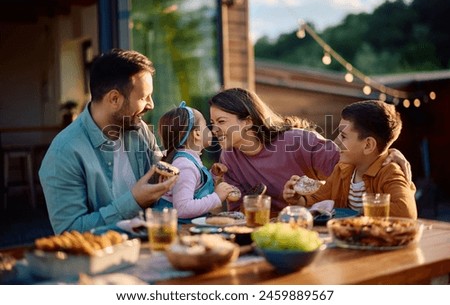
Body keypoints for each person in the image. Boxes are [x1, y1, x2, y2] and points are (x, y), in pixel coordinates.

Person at [39, 49, 178, 234]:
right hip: (100, 259)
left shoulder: (139, 130)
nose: (151, 105)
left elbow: (161, 189)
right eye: (144, 97)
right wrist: (134, 201)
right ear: (114, 99)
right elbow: (69, 232)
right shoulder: (63, 154)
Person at [208, 87, 412, 213]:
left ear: (248, 122)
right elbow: (237, 213)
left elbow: (352, 160)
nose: (214, 129)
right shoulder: (229, 158)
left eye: (221, 121)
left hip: (311, 228)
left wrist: (388, 153)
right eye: (212, 122)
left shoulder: (298, 141)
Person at [283, 100, 417, 219]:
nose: (336, 141)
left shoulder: (390, 172)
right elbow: (318, 199)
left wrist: (362, 215)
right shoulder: (342, 169)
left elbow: (407, 212)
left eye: (344, 136)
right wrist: (298, 199)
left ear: (368, 145)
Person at [153, 101, 237, 222]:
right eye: (206, 126)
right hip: (178, 229)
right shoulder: (185, 165)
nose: (212, 130)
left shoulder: (188, 161)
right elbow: (182, 209)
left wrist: (213, 175)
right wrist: (217, 197)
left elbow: (195, 190)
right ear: (197, 134)